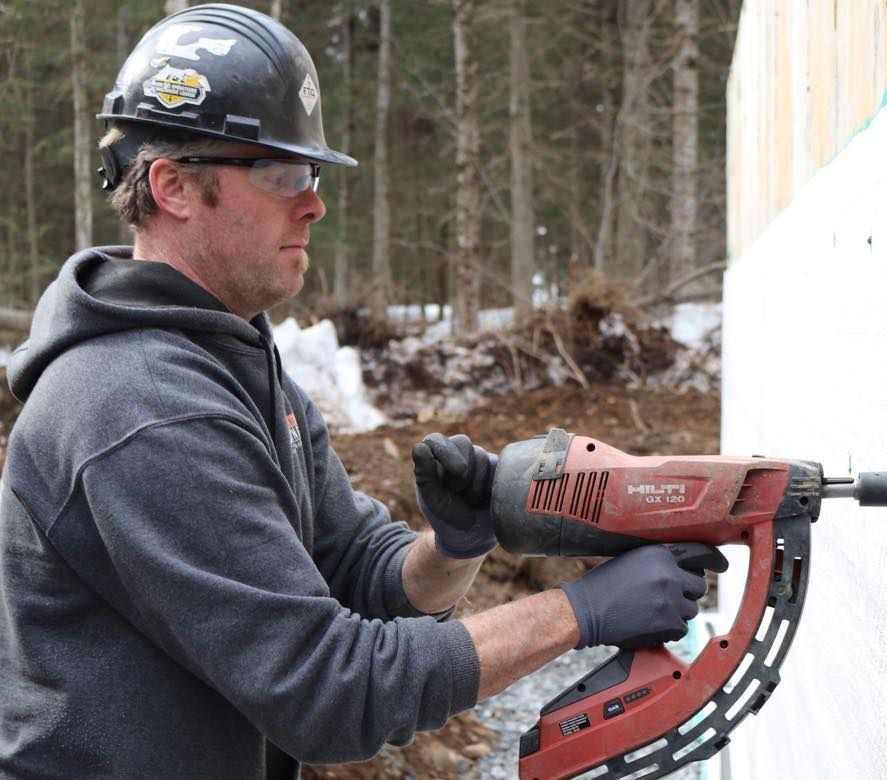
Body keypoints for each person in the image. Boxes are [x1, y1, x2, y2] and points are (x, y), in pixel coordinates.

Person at [0, 5, 725, 778]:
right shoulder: (142, 406)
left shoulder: (232, 357)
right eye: (282, 175)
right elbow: (327, 692)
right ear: (174, 185)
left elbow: (358, 573)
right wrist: (578, 613)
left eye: (310, 175)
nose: (313, 202)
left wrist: (455, 545)